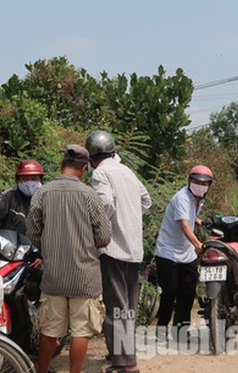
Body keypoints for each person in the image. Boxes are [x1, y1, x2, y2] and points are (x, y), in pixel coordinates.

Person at [27, 145, 112, 373]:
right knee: (81, 331)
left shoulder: (42, 193)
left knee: (49, 330)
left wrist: (50, 246)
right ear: (84, 168)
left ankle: (42, 370)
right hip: (84, 278)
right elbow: (104, 236)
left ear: (61, 165)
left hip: (53, 276)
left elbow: (33, 233)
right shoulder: (90, 196)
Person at [85, 130, 151, 373]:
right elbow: (146, 201)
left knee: (117, 307)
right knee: (128, 307)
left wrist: (105, 227)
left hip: (113, 248)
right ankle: (119, 353)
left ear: (92, 158)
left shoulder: (102, 172)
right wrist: (130, 220)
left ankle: (126, 363)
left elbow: (104, 203)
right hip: (133, 248)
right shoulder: (127, 171)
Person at [154, 165, 211, 341]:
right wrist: (198, 245)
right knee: (170, 291)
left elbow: (189, 217)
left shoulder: (198, 199)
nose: (200, 185)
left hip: (187, 254)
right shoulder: (182, 198)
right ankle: (162, 326)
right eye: (196, 181)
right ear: (189, 181)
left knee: (187, 293)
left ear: (209, 185)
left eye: (204, 183)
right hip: (168, 252)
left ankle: (180, 331)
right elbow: (184, 225)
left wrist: (199, 220)